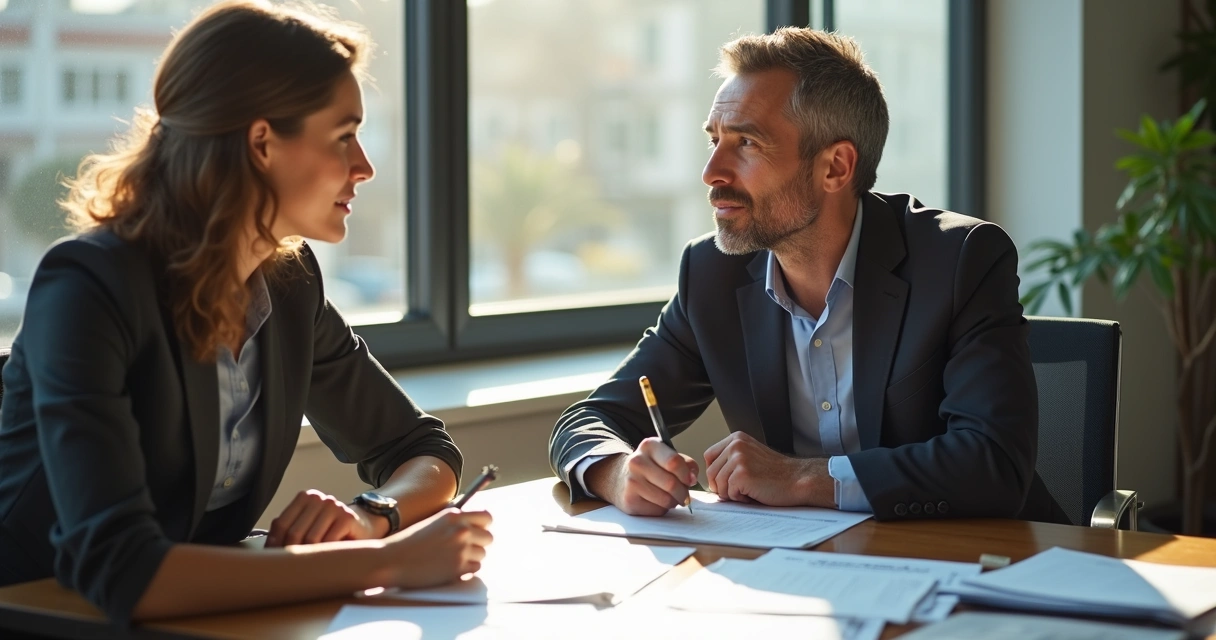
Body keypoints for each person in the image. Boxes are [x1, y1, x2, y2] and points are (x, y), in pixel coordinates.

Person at [0, 0, 491, 626]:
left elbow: (421, 449)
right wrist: (384, 562)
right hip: (42, 615)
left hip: (206, 620)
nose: (364, 167)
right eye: (343, 137)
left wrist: (373, 516)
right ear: (262, 142)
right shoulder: (90, 285)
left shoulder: (288, 282)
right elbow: (123, 569)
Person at [549, 27, 1060, 524]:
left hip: (975, 570)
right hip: (802, 573)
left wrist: (805, 479)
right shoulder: (711, 275)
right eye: (714, 140)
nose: (711, 172)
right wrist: (616, 472)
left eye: (746, 143)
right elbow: (587, 422)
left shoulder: (960, 260)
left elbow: (993, 464)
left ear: (836, 167)